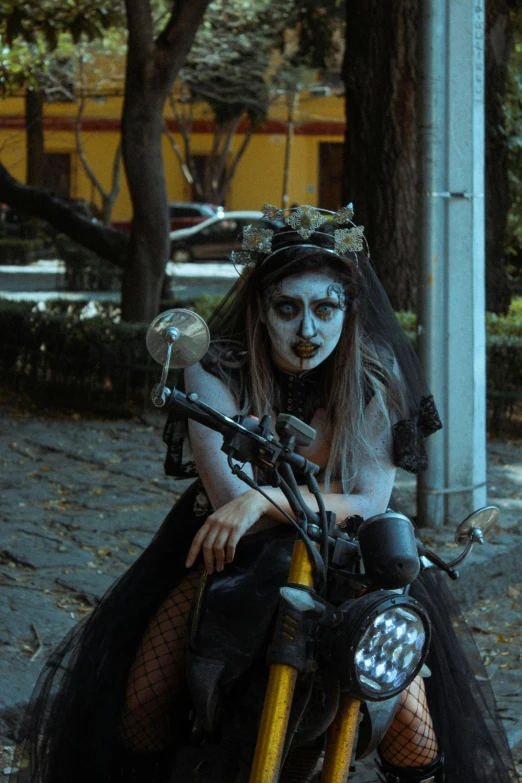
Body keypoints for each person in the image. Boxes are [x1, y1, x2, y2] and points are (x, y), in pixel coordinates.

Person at [16, 206, 514, 783]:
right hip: (227, 551)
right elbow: (230, 498)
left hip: (350, 554)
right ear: (260, 308)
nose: (308, 331)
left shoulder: (375, 378)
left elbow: (371, 502)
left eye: (326, 308)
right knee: (144, 702)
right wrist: (257, 503)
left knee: (411, 729)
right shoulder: (213, 369)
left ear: (348, 311)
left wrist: (262, 501)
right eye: (288, 308)